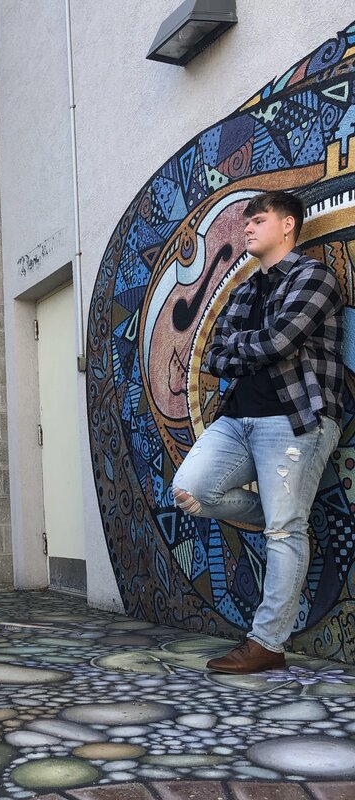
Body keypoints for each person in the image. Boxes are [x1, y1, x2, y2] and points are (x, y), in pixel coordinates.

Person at [172, 190, 344, 674]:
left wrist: (245, 345)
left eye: (258, 220)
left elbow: (280, 339)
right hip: (238, 419)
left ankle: (267, 643)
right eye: (246, 222)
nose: (247, 228)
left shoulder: (315, 276)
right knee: (190, 489)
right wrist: (252, 347)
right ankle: (277, 511)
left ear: (288, 225)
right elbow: (212, 355)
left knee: (285, 530)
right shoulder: (246, 289)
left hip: (294, 419)